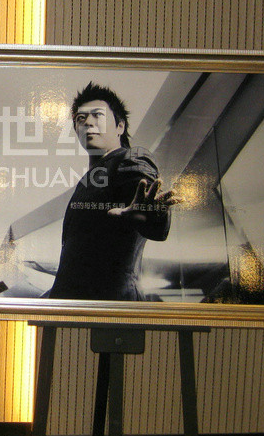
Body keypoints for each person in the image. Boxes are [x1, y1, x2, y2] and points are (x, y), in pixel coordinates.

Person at [47, 83, 177, 301]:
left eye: (97, 115)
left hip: (111, 308)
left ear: (120, 126)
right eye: (80, 119)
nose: (88, 122)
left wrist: (150, 214)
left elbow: (150, 212)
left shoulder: (131, 157)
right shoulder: (89, 180)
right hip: (74, 307)